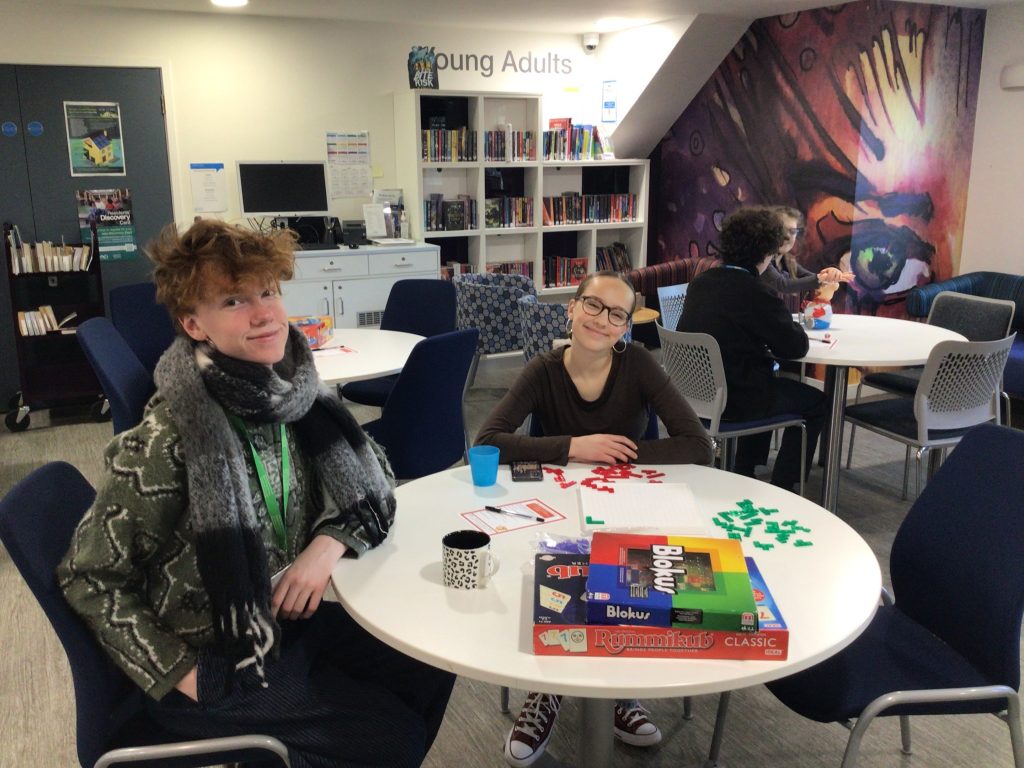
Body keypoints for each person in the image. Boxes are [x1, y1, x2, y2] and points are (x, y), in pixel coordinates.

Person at [57, 219, 454, 768]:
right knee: (388, 738)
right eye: (234, 300)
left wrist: (326, 546)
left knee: (432, 656)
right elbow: (88, 576)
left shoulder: (295, 396)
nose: (265, 312)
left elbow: (376, 476)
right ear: (195, 324)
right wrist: (181, 673)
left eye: (268, 291)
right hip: (215, 657)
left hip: (286, 625)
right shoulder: (168, 438)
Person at [476, 271, 714, 767]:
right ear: (571, 307)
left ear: (627, 326)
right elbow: (488, 440)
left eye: (616, 314)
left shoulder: (639, 364)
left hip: (623, 503)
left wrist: (620, 456)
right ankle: (546, 690)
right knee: (551, 576)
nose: (601, 320)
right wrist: (574, 447)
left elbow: (697, 444)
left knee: (626, 579)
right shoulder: (543, 369)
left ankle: (616, 690)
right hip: (555, 506)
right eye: (592, 305)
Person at [678, 206, 826, 491]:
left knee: (763, 381)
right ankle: (785, 484)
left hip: (694, 393)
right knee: (816, 402)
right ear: (767, 252)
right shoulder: (758, 294)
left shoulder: (700, 284)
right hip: (736, 399)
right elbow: (794, 347)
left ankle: (745, 468)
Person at [759, 205, 852, 312]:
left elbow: (811, 277)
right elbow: (783, 285)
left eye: (792, 231)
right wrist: (822, 278)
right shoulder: (763, 260)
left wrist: (830, 274)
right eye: (782, 230)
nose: (787, 236)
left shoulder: (788, 260)